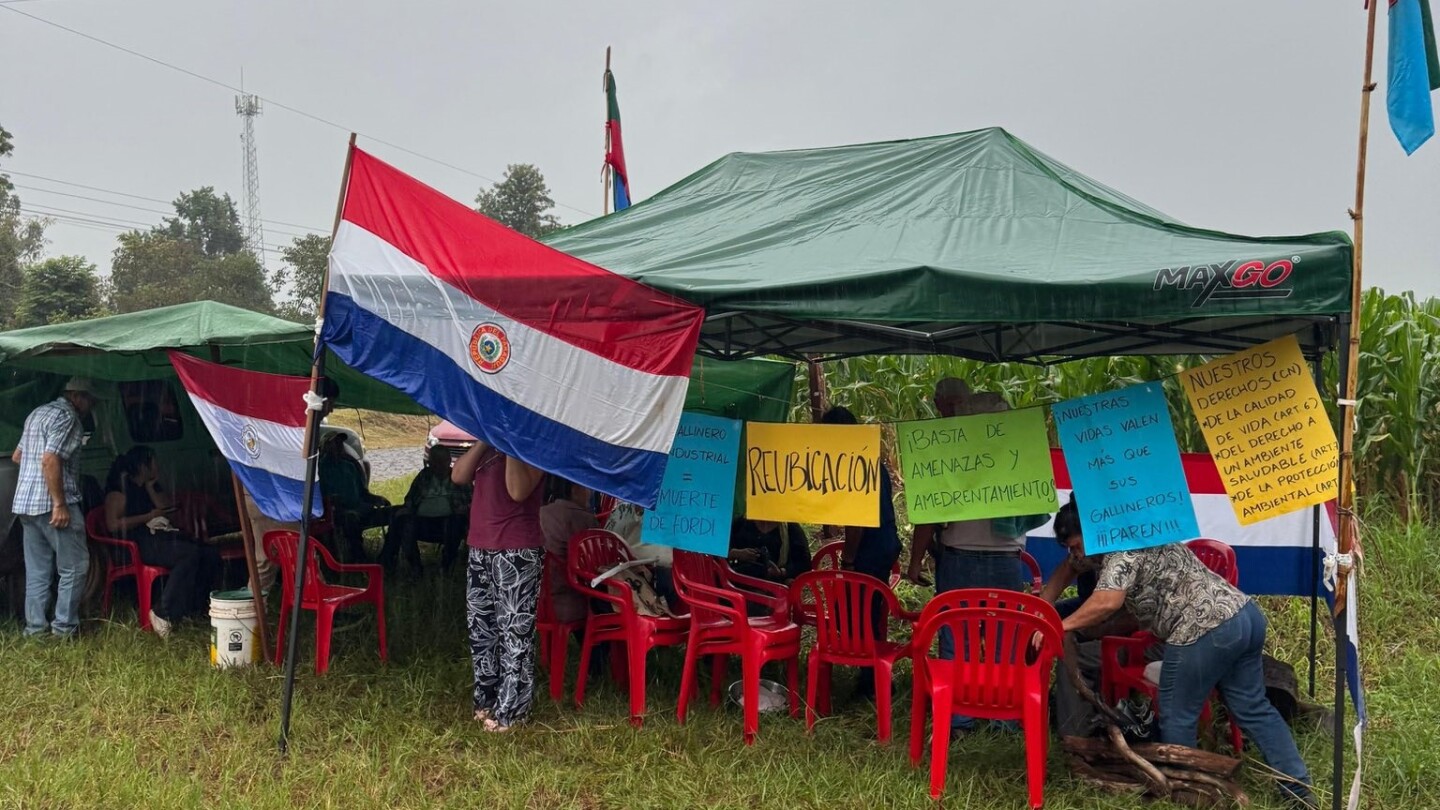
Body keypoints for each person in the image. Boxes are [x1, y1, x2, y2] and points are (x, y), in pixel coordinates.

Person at [1053, 495, 1315, 808]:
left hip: (1203, 628)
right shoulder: (1135, 536)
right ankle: (1299, 793)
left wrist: (1062, 627)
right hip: (1244, 616)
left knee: (1178, 714)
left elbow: (1106, 602)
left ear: (1094, 533)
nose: (1074, 554)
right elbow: (1108, 598)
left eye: (1075, 545)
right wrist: (1060, 616)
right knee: (1253, 707)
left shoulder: (1121, 552)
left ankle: (1185, 796)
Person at [905, 378, 1051, 732]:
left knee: (956, 637)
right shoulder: (1017, 457)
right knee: (1004, 639)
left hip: (959, 558)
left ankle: (959, 718)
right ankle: (1002, 715)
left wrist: (913, 563)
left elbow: (928, 518)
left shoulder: (950, 456)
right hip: (1006, 561)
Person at [453, 440, 545, 732]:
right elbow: (458, 476)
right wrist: (483, 439)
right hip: (480, 545)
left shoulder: (531, 446)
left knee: (514, 634)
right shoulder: (485, 443)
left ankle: (513, 712)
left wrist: (509, 441)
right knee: (482, 629)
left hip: (517, 549)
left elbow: (518, 491)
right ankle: (487, 699)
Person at [820, 405, 902, 701]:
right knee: (867, 611)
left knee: (855, 613)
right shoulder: (870, 461)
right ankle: (872, 676)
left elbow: (857, 522)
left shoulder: (856, 463)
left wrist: (849, 560)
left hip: (871, 548)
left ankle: (873, 679)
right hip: (884, 542)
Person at [103, 445, 221, 637]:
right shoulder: (119, 490)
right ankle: (162, 612)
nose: (158, 467)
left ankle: (195, 606)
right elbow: (113, 525)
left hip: (156, 536)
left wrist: (151, 489)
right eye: (154, 463)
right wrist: (147, 516)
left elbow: (168, 510)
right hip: (134, 543)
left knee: (208, 553)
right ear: (143, 466)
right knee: (187, 555)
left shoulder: (148, 486)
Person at [11, 377, 97, 638]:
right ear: (78, 397)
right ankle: (63, 629)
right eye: (90, 401)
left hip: (26, 504)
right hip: (53, 506)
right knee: (75, 567)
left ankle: (35, 629)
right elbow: (50, 459)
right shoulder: (69, 418)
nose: (90, 406)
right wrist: (59, 503)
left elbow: (18, 457)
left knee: (37, 570)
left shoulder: (37, 413)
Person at [381, 445, 468, 573]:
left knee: (457, 522)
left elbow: (471, 501)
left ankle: (446, 566)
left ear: (449, 461)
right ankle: (409, 566)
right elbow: (410, 499)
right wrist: (407, 509)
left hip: (449, 520)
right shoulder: (424, 476)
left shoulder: (458, 477)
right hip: (422, 520)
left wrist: (463, 508)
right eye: (434, 461)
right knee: (400, 519)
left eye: (441, 461)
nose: (437, 465)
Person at [319, 431, 391, 562]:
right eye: (334, 443)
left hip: (361, 508)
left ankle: (388, 557)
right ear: (325, 446)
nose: (338, 446)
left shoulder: (350, 466)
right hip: (336, 512)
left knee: (397, 513)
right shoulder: (320, 469)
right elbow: (319, 495)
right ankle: (359, 558)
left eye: (340, 443)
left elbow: (364, 493)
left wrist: (378, 499)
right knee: (350, 518)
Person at [538, 475, 596, 624]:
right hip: (570, 603)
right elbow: (596, 565)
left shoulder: (541, 512)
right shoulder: (583, 518)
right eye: (586, 487)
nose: (590, 493)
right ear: (575, 489)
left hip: (537, 599)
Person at [728, 518, 812, 585]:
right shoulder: (741, 523)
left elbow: (804, 562)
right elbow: (720, 548)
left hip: (775, 586)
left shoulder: (790, 527)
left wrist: (782, 572)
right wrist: (736, 553)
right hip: (739, 581)